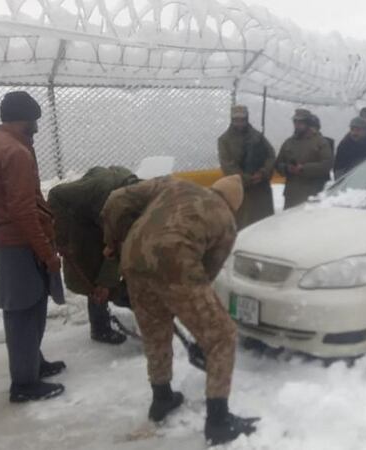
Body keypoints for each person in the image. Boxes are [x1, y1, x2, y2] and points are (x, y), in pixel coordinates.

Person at [101, 175, 257, 445]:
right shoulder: (226, 222)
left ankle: (161, 398)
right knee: (221, 336)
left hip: (133, 258)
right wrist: (184, 302)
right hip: (175, 261)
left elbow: (116, 199)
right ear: (234, 205)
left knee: (155, 331)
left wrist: (114, 242)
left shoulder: (175, 185)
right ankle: (219, 421)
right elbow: (207, 275)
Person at [0, 91, 65, 402]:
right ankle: (24, 384)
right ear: (27, 120)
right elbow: (23, 210)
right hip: (22, 242)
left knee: (22, 310)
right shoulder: (16, 153)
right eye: (35, 121)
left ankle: (33, 364)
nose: (37, 127)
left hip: (4, 240)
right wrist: (47, 254)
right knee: (27, 312)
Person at [48, 166, 141, 345]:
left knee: (116, 263)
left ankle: (128, 301)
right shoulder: (97, 189)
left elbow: (117, 245)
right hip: (79, 220)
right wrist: (61, 237)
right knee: (93, 272)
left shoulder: (137, 196)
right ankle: (100, 328)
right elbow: (56, 194)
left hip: (101, 216)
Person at [217, 105, 276, 229]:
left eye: (242, 119)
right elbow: (227, 164)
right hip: (239, 190)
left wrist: (263, 172)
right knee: (242, 226)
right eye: (236, 120)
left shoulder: (258, 137)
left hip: (260, 189)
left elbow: (270, 155)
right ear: (232, 120)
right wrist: (245, 178)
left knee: (264, 224)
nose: (239, 123)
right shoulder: (225, 140)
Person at [275, 109, 333, 208]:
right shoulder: (288, 142)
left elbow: (327, 164)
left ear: (308, 123)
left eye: (301, 122)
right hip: (291, 195)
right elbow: (278, 164)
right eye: (295, 121)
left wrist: (303, 168)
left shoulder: (320, 142)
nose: (297, 124)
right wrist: (287, 168)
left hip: (312, 194)